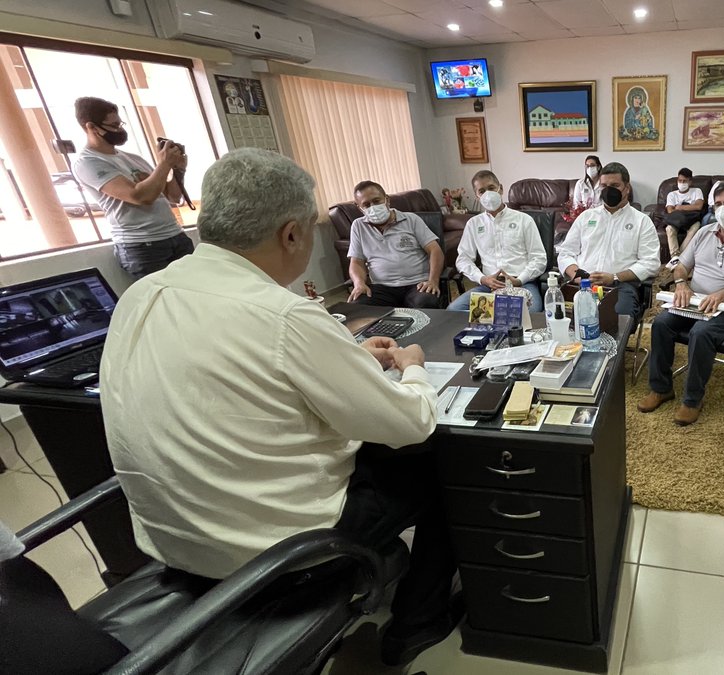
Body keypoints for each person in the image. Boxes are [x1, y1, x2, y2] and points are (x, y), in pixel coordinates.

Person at [99, 149, 458, 668]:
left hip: (172, 540)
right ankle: (419, 622)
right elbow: (410, 423)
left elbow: (245, 379)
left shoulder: (139, 295)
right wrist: (414, 367)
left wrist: (348, 360)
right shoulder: (284, 316)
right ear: (292, 234)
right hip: (279, 553)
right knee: (441, 466)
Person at [638, 180, 724, 425]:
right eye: (719, 204)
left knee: (701, 333)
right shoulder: (704, 233)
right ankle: (661, 388)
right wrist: (682, 284)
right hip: (697, 301)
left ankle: (692, 400)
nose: (723, 209)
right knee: (661, 323)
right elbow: (681, 267)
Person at [71, 97, 194, 279]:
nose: (120, 130)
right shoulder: (88, 162)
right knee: (162, 304)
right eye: (113, 126)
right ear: (91, 127)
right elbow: (140, 197)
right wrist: (163, 164)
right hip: (143, 247)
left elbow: (173, 197)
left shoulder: (133, 158)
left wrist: (177, 168)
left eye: (120, 124)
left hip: (176, 237)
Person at [558, 162, 660, 316]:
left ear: (627, 188)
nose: (608, 190)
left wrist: (614, 277)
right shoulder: (587, 217)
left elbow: (651, 262)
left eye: (615, 185)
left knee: (616, 318)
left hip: (619, 286)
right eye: (604, 185)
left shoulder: (641, 221)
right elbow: (566, 253)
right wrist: (577, 276)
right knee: (558, 312)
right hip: (583, 283)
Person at [449, 170, 547, 313]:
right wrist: (482, 279)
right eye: (481, 191)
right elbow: (463, 259)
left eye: (491, 188)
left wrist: (519, 280)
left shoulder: (524, 220)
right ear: (477, 196)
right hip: (488, 287)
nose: (487, 194)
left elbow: (539, 258)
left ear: (500, 188)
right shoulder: (473, 224)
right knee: (453, 311)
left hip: (522, 284)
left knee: (531, 315)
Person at [348, 180, 444, 309]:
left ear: (387, 199)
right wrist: (359, 283)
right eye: (366, 205)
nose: (373, 207)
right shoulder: (358, 226)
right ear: (360, 208)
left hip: (417, 284)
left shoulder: (411, 219)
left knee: (425, 302)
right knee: (357, 305)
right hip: (382, 287)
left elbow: (435, 250)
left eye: (376, 201)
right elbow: (356, 262)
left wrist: (433, 281)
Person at [664, 168, 706, 270]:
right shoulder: (672, 194)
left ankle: (677, 259)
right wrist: (690, 207)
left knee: (695, 229)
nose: (682, 183)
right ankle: (675, 256)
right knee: (669, 229)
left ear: (690, 181)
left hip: (692, 220)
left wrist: (679, 207)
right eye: (680, 180)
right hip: (676, 220)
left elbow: (698, 206)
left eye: (685, 181)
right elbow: (670, 210)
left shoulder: (697, 191)